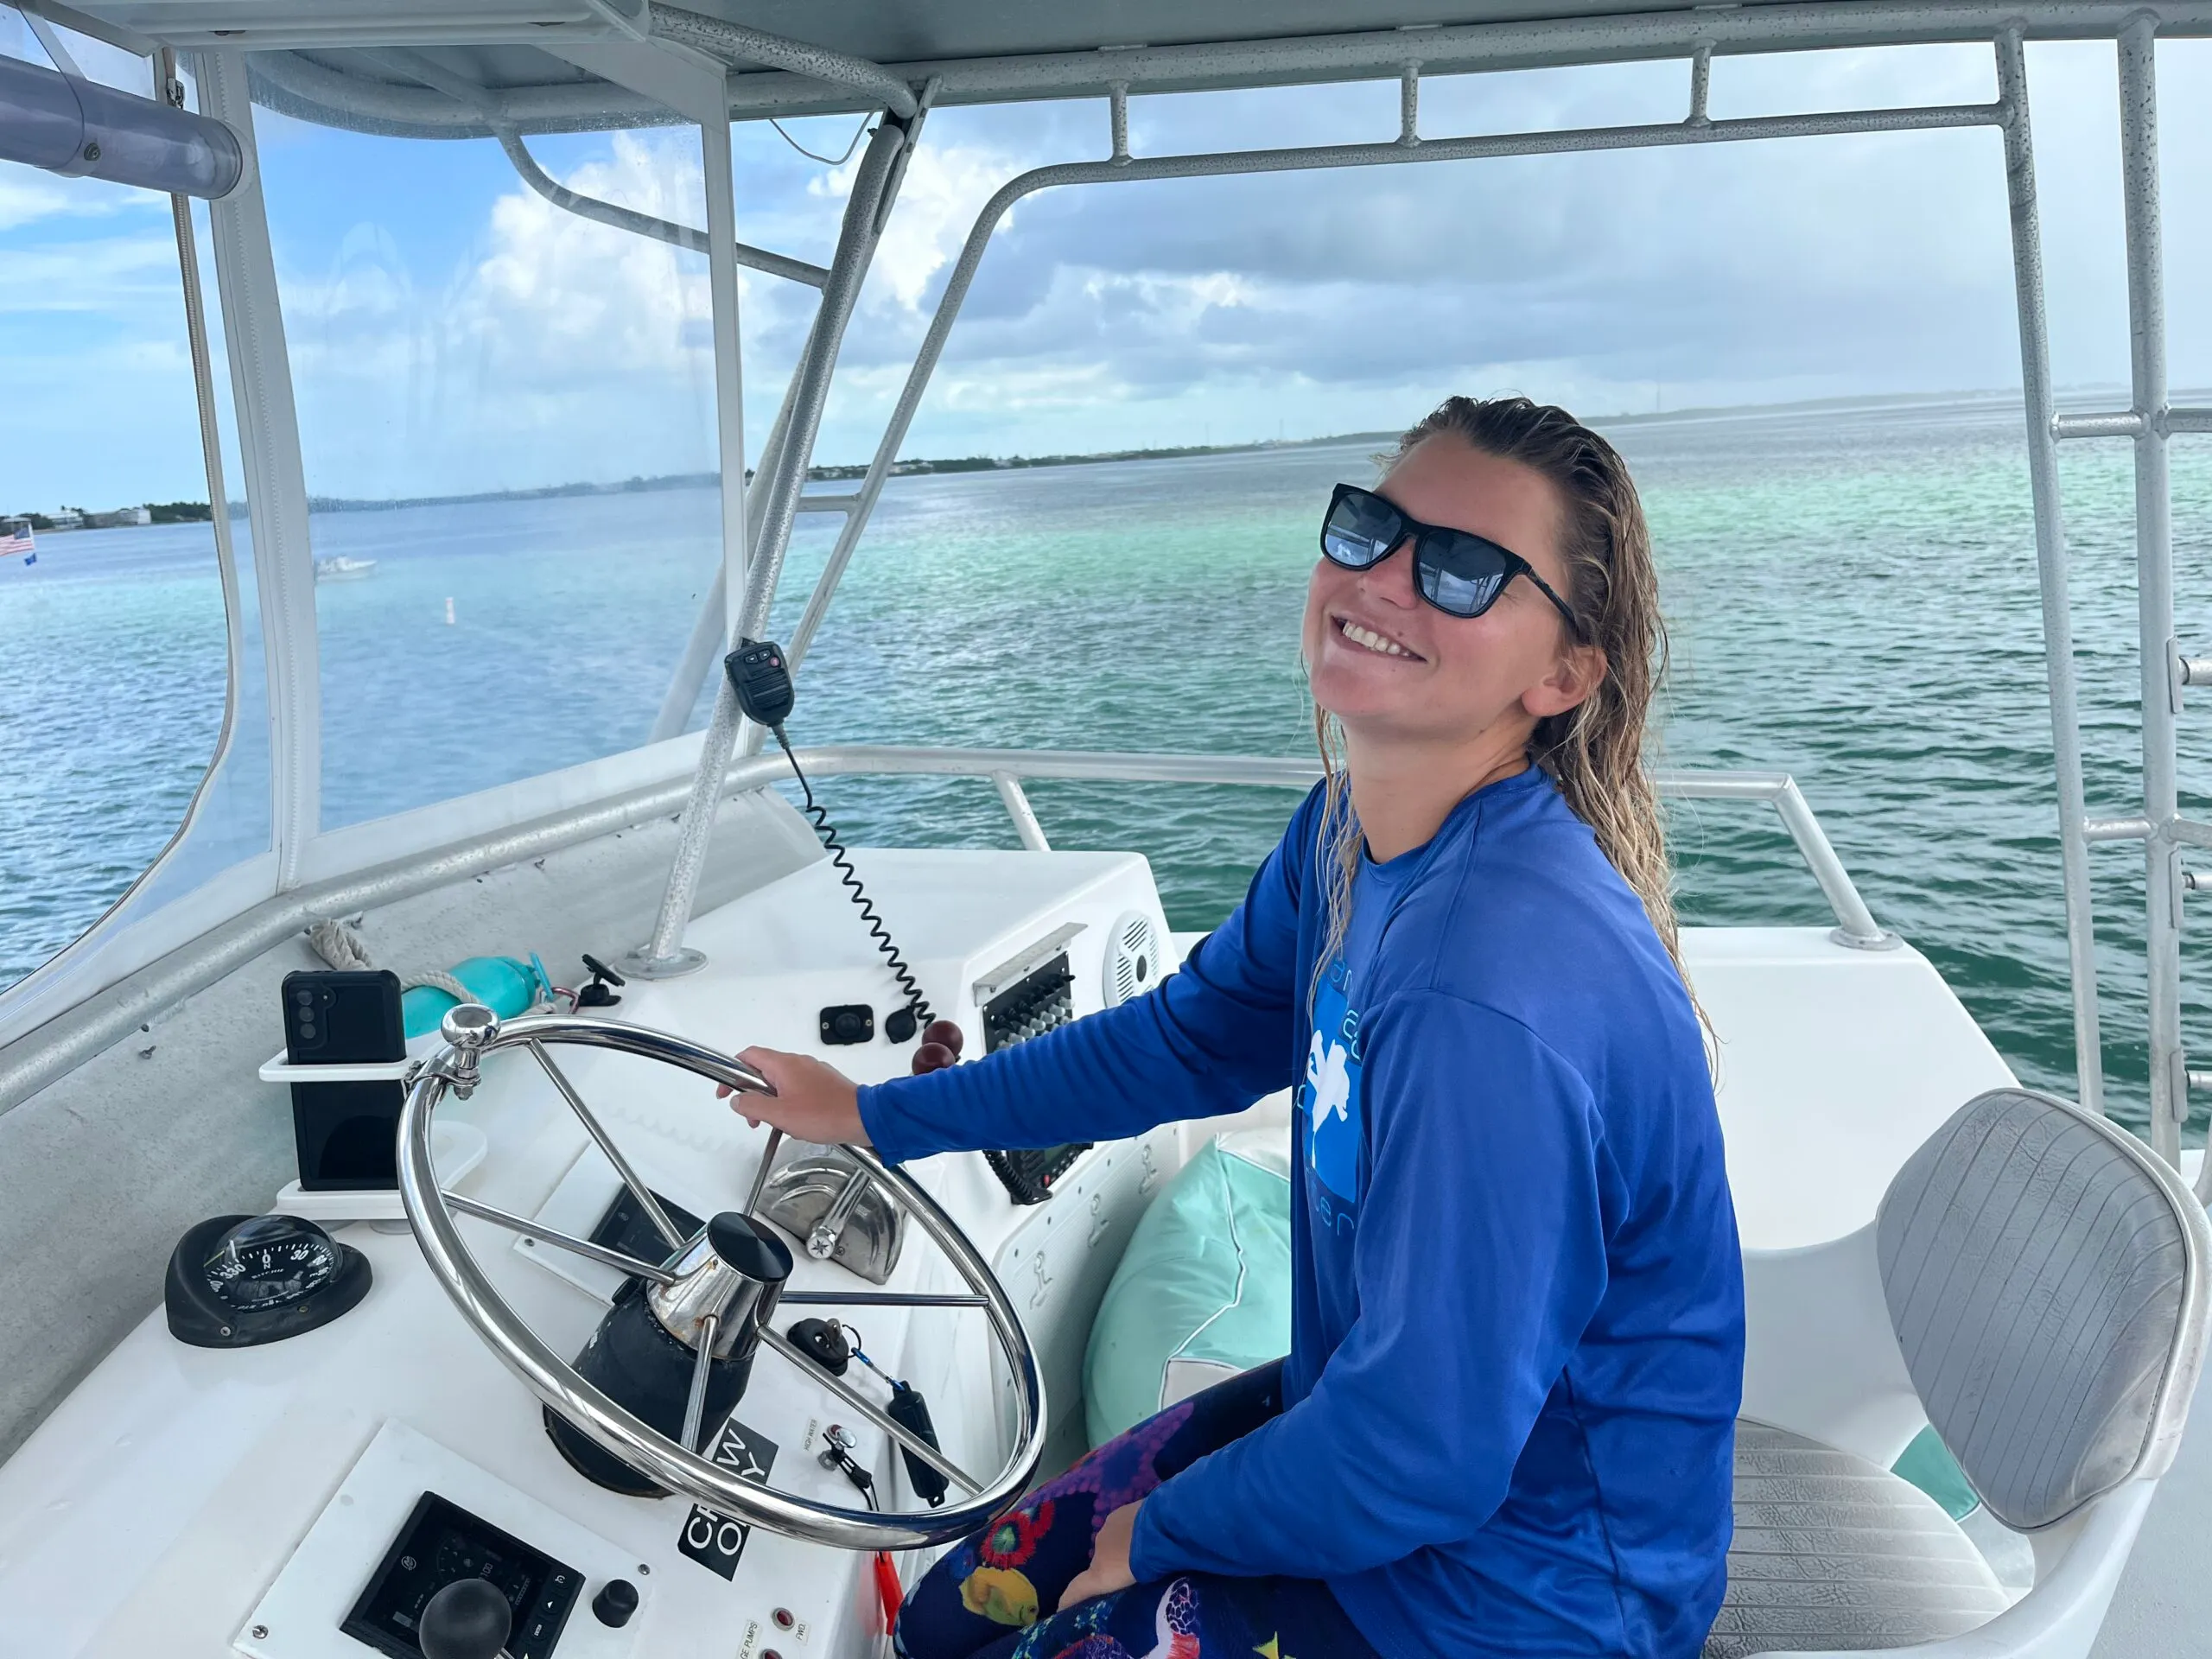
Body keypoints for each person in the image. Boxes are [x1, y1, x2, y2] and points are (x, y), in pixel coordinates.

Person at [730, 396, 1744, 1659]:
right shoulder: (1344, 838)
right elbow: (1181, 1042)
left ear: (1563, 675)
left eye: (1466, 570)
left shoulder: (1485, 991)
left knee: (1020, 1630)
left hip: (1524, 1600)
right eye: (1373, 527)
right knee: (954, 1615)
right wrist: (878, 1117)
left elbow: (1419, 1456)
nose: (1384, 579)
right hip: (1389, 1460)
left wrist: (1151, 1538)